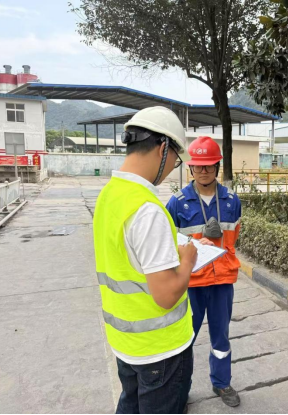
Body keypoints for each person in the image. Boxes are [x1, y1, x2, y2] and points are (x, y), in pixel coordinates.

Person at [93, 106, 198, 414]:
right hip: (160, 350)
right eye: (175, 161)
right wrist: (188, 260)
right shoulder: (148, 208)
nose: (171, 169)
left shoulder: (110, 194)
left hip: (125, 342)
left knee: (130, 405)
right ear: (163, 148)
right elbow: (166, 296)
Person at [166, 136, 242, 407]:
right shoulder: (177, 203)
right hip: (191, 282)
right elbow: (167, 241)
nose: (204, 170)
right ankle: (180, 389)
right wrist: (195, 245)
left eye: (209, 165)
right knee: (186, 338)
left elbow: (234, 237)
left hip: (223, 282)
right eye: (198, 165)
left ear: (217, 166)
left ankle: (221, 383)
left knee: (221, 336)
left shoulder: (232, 201)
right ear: (191, 168)